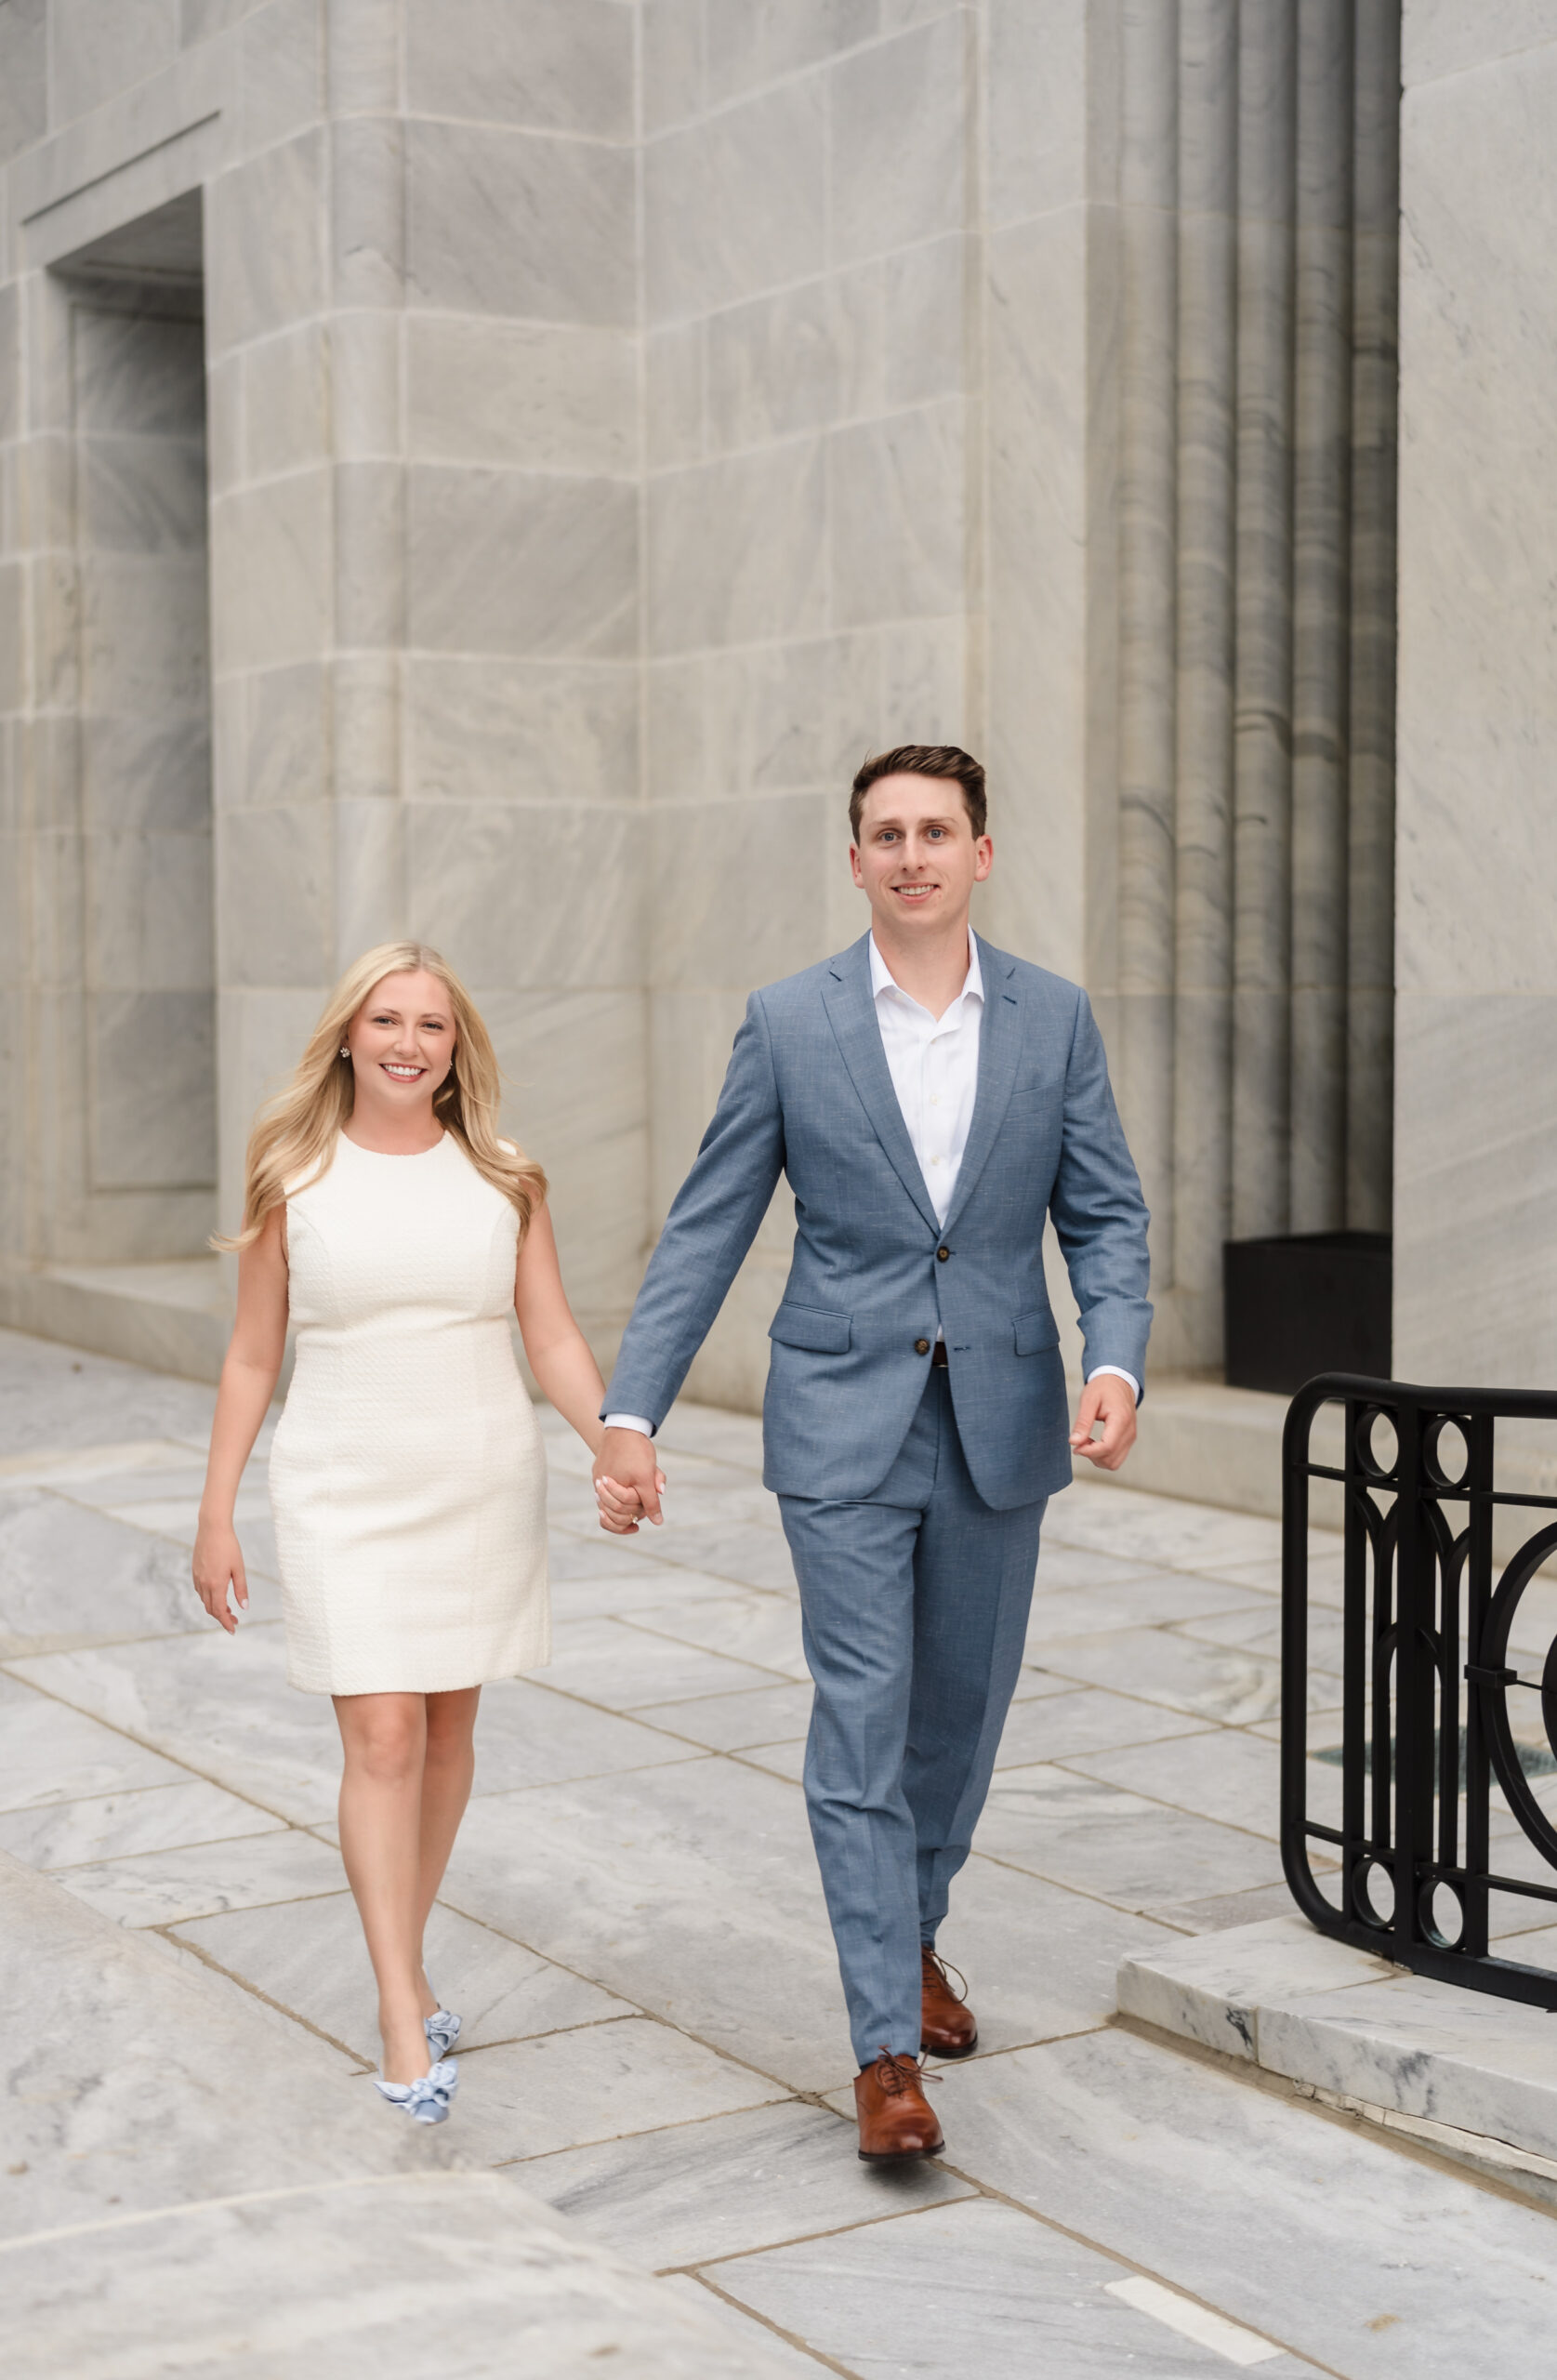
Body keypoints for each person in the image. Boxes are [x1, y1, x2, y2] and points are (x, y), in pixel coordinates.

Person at [593, 746, 1151, 2163]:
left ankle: (912, 1935)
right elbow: (708, 1221)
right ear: (853, 861)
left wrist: (1112, 1355)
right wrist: (630, 1409)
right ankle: (881, 2054)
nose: (910, 854)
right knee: (859, 1726)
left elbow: (1103, 1213)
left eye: (935, 831)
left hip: (1001, 1425)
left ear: (979, 852)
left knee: (954, 1730)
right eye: (883, 834)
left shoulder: (1051, 1019)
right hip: (838, 1427)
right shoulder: (789, 1023)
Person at [191, 942, 627, 2124]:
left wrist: (612, 1438)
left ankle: (409, 1952)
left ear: (456, 1047)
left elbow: (551, 1338)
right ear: (347, 1035)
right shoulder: (293, 1173)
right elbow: (250, 1354)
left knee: (444, 1735)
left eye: (432, 1025)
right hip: (341, 1485)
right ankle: (398, 2004)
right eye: (386, 1019)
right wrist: (216, 1508)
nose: (408, 1042)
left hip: (478, 1481)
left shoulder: (506, 1176)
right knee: (380, 1733)